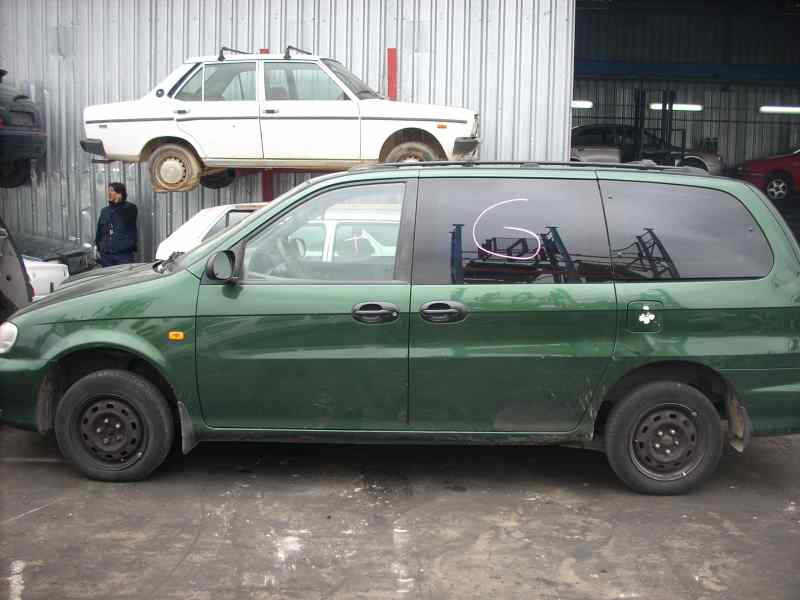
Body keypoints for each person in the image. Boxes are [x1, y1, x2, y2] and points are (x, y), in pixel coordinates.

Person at [95, 182, 138, 266]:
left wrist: (118, 203)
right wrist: (97, 246)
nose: (109, 193)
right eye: (108, 191)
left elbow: (123, 218)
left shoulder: (130, 208)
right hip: (106, 255)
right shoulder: (105, 211)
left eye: (112, 190)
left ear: (119, 193)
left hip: (123, 254)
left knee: (125, 274)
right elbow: (99, 230)